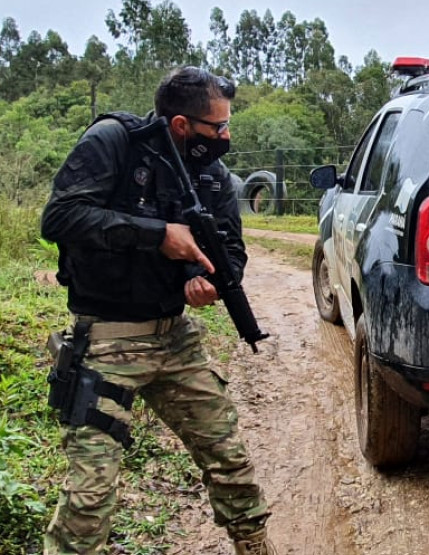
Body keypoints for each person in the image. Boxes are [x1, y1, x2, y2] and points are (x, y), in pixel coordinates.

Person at [40, 66, 274, 555]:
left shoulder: (214, 176)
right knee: (90, 497)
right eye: (218, 126)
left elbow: (229, 251)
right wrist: (157, 236)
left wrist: (202, 278)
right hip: (107, 339)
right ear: (181, 125)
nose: (226, 136)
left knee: (230, 462)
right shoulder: (114, 143)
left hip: (175, 337)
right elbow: (61, 216)